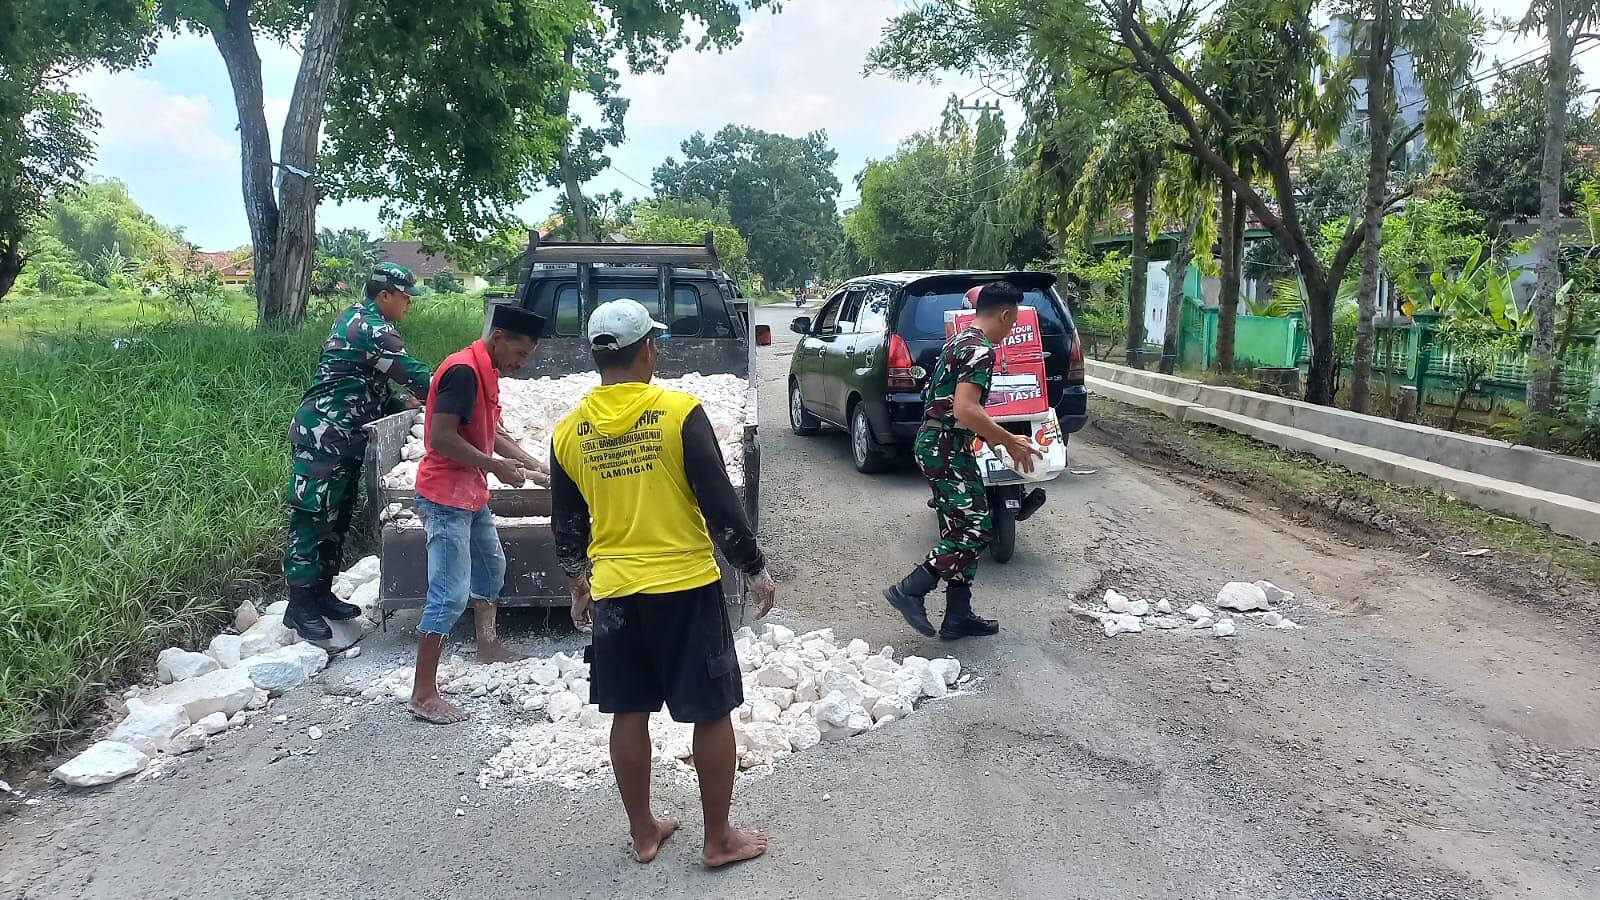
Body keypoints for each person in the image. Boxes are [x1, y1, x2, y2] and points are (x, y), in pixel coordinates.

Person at [550, 298, 777, 868]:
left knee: (628, 711)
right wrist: (752, 566)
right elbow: (719, 501)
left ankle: (644, 831)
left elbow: (568, 524)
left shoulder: (569, 432)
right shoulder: (679, 412)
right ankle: (718, 838)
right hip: (684, 586)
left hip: (618, 592)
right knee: (710, 711)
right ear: (648, 349)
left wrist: (580, 583)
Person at [407, 304, 550, 724]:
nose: (521, 363)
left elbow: (494, 431)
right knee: (449, 594)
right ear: (499, 338)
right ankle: (423, 693)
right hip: (445, 495)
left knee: (491, 567)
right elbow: (440, 438)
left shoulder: (487, 371)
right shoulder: (463, 371)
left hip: (470, 492)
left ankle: (487, 646)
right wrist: (496, 467)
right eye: (520, 353)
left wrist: (534, 466)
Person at [882, 281, 1041, 640]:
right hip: (946, 446)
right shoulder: (981, 350)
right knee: (976, 529)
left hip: (942, 442)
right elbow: (966, 409)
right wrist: (1009, 441)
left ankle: (958, 614)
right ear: (1004, 314)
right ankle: (910, 589)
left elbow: (959, 410)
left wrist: (993, 440)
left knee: (958, 529)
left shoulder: (961, 340)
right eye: (1013, 321)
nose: (1012, 328)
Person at [283, 262, 433, 641]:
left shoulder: (363, 321)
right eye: (405, 297)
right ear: (385, 295)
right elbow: (418, 375)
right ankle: (299, 605)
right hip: (323, 436)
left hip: (345, 437)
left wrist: (402, 405)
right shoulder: (369, 328)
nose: (408, 305)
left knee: (336, 520)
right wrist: (459, 394)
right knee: (313, 518)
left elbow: (367, 388)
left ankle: (321, 593)